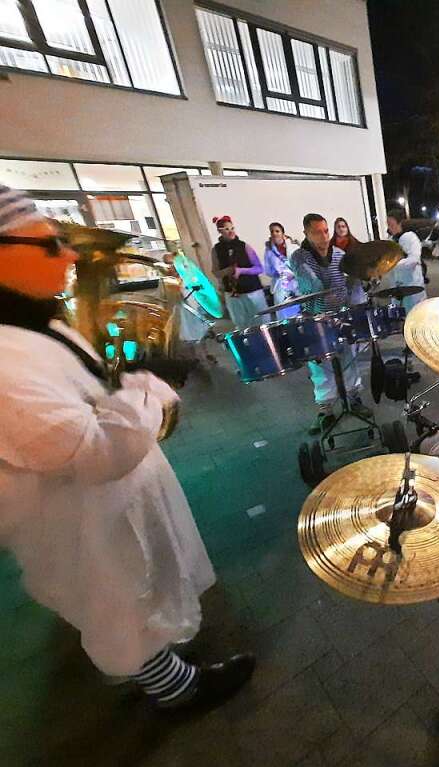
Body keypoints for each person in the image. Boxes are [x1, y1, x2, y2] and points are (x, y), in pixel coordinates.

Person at [0, 184, 254, 711]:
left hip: (101, 507)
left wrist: (123, 379)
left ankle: (165, 665)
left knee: (132, 589)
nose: (69, 255)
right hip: (79, 517)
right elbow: (93, 452)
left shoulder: (31, 321)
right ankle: (178, 693)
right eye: (49, 246)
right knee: (119, 602)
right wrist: (148, 388)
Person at [289, 213, 366, 433]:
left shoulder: (340, 254)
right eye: (316, 232)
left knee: (349, 358)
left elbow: (350, 286)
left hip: (341, 315)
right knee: (321, 367)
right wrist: (335, 289)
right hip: (315, 318)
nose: (323, 237)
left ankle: (354, 399)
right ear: (306, 233)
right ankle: (326, 410)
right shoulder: (299, 258)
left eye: (325, 231)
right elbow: (313, 287)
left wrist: (359, 277)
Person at [210, 215, 267, 328]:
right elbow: (216, 272)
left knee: (261, 320)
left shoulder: (244, 246)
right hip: (232, 293)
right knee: (241, 324)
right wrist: (228, 271)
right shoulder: (216, 250)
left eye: (232, 228)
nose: (231, 232)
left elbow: (259, 268)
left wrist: (241, 271)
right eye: (227, 229)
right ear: (220, 231)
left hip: (252, 290)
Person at [380, 209, 426, 314]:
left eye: (391, 224)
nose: (389, 227)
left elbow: (414, 259)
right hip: (397, 288)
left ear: (399, 223)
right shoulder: (390, 241)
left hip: (412, 285)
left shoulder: (411, 237)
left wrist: (392, 264)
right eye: (388, 224)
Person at [263, 221, 300, 318]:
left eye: (277, 231)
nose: (274, 233)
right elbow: (267, 270)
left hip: (296, 284)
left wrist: (292, 273)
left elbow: (302, 265)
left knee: (299, 311)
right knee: (283, 314)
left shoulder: (294, 247)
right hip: (280, 285)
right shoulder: (269, 251)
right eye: (272, 231)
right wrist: (277, 273)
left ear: (283, 233)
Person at [329, 216, 367, 304]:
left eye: (343, 226)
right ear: (335, 229)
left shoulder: (355, 244)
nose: (341, 229)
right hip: (338, 282)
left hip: (354, 281)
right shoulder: (330, 246)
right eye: (338, 227)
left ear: (347, 228)